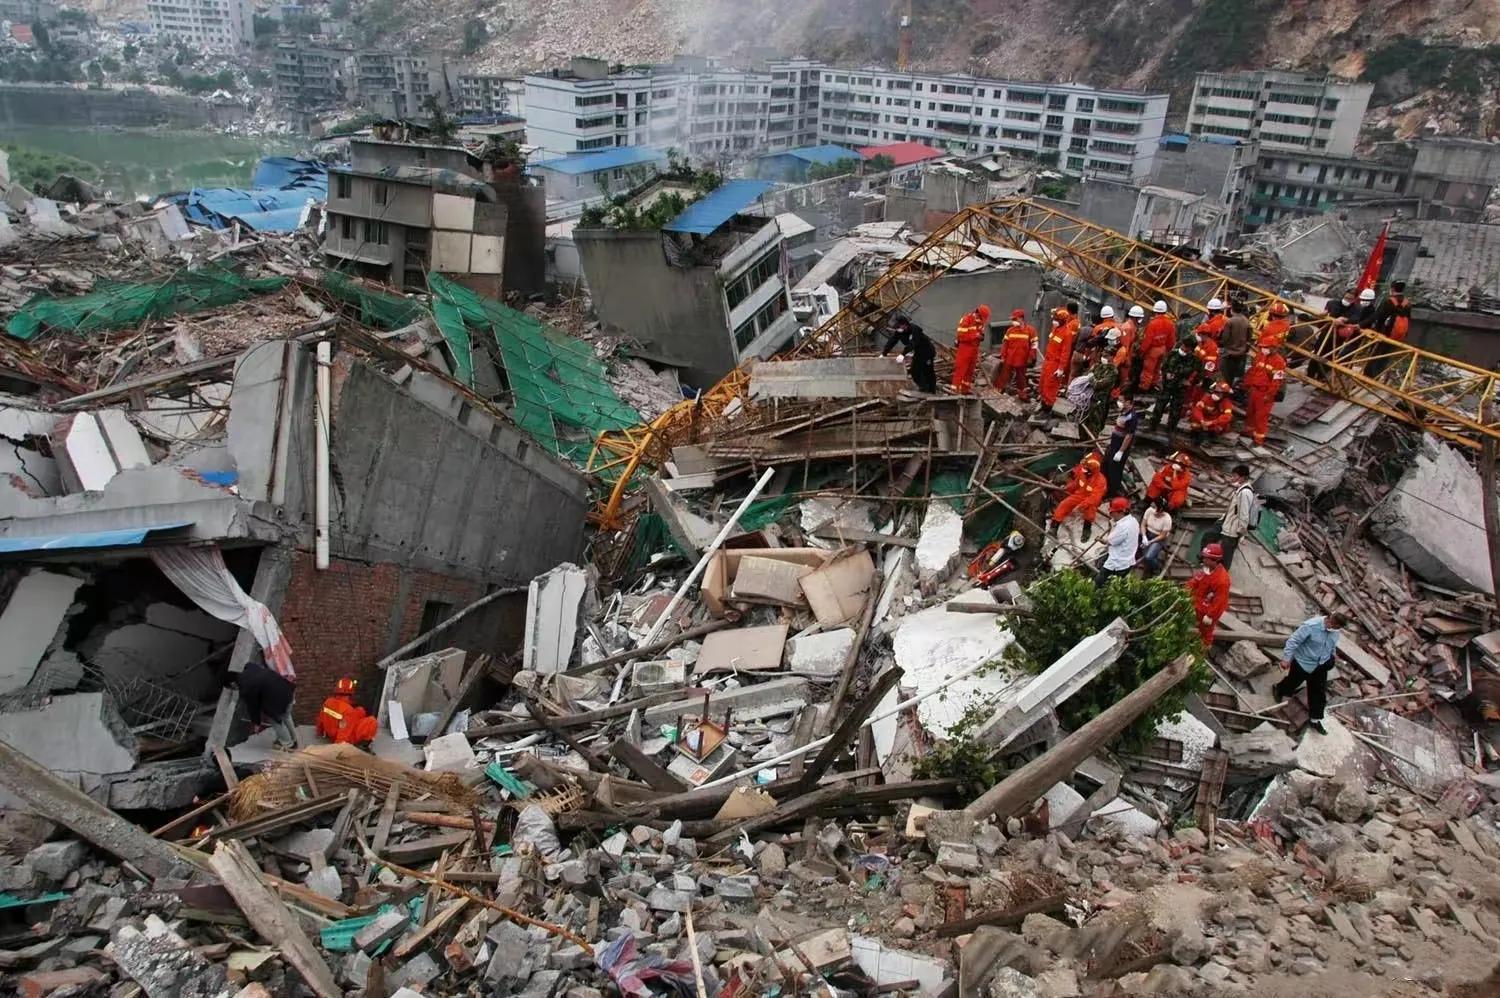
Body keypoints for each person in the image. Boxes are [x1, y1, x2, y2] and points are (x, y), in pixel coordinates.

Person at [1273, 611, 1346, 735]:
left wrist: (1332, 656)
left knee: (1318, 693)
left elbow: (1331, 645)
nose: (1335, 630)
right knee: (1293, 682)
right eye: (1334, 627)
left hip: (1320, 666)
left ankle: (1315, 719)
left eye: (1338, 628)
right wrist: (1286, 658)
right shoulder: (1311, 626)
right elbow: (1294, 640)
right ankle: (1280, 689)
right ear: (1330, 620)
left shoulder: (1335, 631)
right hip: (1303, 662)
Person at [232, 659, 296, 750]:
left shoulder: (246, 688)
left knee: (276, 721)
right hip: (288, 690)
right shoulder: (251, 668)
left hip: (278, 699)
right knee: (287, 717)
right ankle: (294, 739)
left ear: (233, 684)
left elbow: (253, 707)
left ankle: (287, 744)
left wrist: (256, 723)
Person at [1049, 451, 1108, 542]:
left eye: (1086, 469)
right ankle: (1054, 527)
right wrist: (1067, 488)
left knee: (1090, 510)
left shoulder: (1101, 481)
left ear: (1093, 470)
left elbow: (1095, 497)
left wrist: (1082, 505)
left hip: (1091, 500)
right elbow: (1076, 483)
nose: (1083, 470)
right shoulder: (1082, 471)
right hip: (1080, 494)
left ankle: (1087, 529)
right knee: (1063, 504)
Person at [1207, 463, 1256, 569]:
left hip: (1232, 532)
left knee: (1226, 556)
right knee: (1209, 536)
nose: (1232, 478)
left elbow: (1244, 515)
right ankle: (1209, 563)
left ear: (1242, 478)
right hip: (1228, 526)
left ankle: (1222, 576)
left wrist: (1241, 532)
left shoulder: (1244, 493)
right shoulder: (1242, 488)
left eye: (1235, 476)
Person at [1149, 336, 1199, 433]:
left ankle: (1170, 429)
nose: (1183, 348)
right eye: (1183, 345)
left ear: (1190, 349)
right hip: (1167, 385)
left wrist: (1189, 381)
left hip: (1180, 388)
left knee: (1175, 410)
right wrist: (1166, 374)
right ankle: (1153, 426)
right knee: (1159, 406)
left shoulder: (1194, 360)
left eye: (1186, 347)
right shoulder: (1172, 354)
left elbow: (1198, 374)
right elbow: (1164, 367)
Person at [1185, 542, 1231, 644]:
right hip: (1197, 603)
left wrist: (1210, 616)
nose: (1203, 560)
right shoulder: (1206, 568)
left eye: (1206, 558)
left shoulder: (1222, 580)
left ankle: (1203, 649)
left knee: (1206, 632)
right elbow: (1195, 581)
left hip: (1207, 609)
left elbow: (1220, 601)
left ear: (1215, 561)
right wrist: (1185, 592)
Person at [1242, 345, 1287, 446]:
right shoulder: (1260, 356)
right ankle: (1248, 432)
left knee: (1261, 417)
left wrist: (1270, 395)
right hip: (1254, 390)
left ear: (1274, 348)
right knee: (1250, 412)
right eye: (1262, 347)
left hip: (1265, 393)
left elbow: (1277, 381)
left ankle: (1258, 439)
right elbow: (1253, 371)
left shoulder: (1279, 362)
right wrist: (1248, 385)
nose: (1263, 349)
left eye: (1266, 347)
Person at [882, 315, 937, 393]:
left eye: (899, 326)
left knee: (928, 371)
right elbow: (892, 341)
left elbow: (913, 343)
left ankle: (932, 390)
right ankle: (923, 387)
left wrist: (903, 354)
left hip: (927, 351)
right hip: (918, 352)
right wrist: (884, 353)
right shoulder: (900, 332)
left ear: (904, 324)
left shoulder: (915, 329)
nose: (898, 329)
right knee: (915, 371)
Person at [316, 677, 378, 745]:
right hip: (340, 737)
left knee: (360, 710)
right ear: (351, 693)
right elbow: (343, 733)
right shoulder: (348, 710)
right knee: (372, 721)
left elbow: (320, 719)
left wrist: (320, 732)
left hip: (331, 732)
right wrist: (338, 747)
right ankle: (364, 745)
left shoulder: (328, 702)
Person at [1039, 304, 1079, 407]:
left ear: (1062, 320)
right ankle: (1043, 404)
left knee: (1050, 387)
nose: (1054, 321)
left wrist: (1061, 368)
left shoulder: (1067, 333)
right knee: (1043, 384)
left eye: (1057, 319)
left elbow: (1065, 352)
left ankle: (1047, 408)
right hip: (1048, 361)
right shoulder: (1055, 329)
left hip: (1055, 364)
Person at [1096, 497, 1140, 587]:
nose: (1111, 514)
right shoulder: (1133, 521)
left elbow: (1108, 541)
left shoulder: (1122, 527)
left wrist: (1101, 539)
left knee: (1099, 582)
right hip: (1128, 560)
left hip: (1117, 562)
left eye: (1113, 512)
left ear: (1121, 512)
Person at [993, 308, 1036, 398]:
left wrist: (1031, 357)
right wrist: (1003, 355)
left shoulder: (1030, 331)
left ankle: (1022, 394)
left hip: (1022, 359)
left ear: (1021, 319)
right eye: (1012, 319)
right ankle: (998, 391)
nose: (1013, 321)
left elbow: (1034, 345)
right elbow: (1005, 344)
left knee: (1021, 378)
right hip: (1010, 358)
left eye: (1015, 319)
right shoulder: (1010, 331)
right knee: (1004, 376)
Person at [1102, 395, 1139, 497]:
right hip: (1113, 444)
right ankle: (1103, 486)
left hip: (1119, 447)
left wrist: (1121, 451)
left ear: (1128, 402)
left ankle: (1111, 492)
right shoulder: (1123, 411)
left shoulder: (1131, 417)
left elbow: (1129, 436)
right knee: (1105, 465)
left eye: (1121, 400)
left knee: (1114, 470)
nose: (1119, 402)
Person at [1138, 301, 1176, 391]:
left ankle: (1144, 388)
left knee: (1148, 370)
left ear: (1155, 311)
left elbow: (1147, 340)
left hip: (1153, 350)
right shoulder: (1170, 323)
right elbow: (1172, 339)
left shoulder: (1152, 324)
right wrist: (1167, 350)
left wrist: (1142, 351)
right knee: (1157, 369)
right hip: (1163, 349)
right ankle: (1154, 385)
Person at [951, 305, 989, 393]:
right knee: (961, 369)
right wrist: (975, 335)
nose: (982, 320)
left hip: (974, 348)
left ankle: (965, 389)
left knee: (970, 370)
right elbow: (961, 336)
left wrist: (981, 336)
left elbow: (981, 332)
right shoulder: (966, 320)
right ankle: (954, 389)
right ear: (978, 314)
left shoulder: (980, 322)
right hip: (965, 348)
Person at [1221, 301, 1253, 390]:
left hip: (1229, 354)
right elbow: (1249, 337)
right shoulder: (1246, 321)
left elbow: (1225, 338)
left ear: (1232, 309)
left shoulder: (1230, 321)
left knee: (1226, 377)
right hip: (1241, 353)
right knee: (1237, 377)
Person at [1114, 305, 1144, 394]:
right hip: (1125, 359)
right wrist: (1127, 360)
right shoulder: (1128, 328)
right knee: (1123, 380)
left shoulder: (1132, 326)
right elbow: (1125, 346)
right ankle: (1117, 396)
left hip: (1127, 357)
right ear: (1135, 318)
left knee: (1124, 380)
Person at [1084, 355, 1118, 432]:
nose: (1103, 357)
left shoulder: (1112, 372)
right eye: (1103, 355)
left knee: (1096, 422)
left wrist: (1091, 377)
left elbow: (1098, 385)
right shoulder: (1098, 366)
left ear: (1112, 357)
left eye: (1106, 356)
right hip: (1090, 398)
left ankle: (1092, 440)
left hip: (1101, 401)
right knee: (1085, 420)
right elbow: (1087, 375)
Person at [1140, 497, 1174, 575]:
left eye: (1155, 507)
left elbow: (1163, 535)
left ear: (1160, 509)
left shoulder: (1167, 519)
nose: (1152, 509)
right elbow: (1143, 525)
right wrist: (1144, 536)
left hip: (1158, 539)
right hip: (1147, 534)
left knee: (1148, 557)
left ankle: (1157, 568)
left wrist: (1150, 542)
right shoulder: (1149, 511)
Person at [1187, 329, 1220, 409]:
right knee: (1189, 391)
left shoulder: (1212, 347)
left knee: (1198, 393)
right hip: (1196, 370)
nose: (1198, 336)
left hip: (1205, 374)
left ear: (1204, 335)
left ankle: (1194, 409)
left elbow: (1210, 364)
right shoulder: (1201, 343)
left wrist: (1204, 378)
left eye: (1199, 335)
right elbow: (1195, 355)